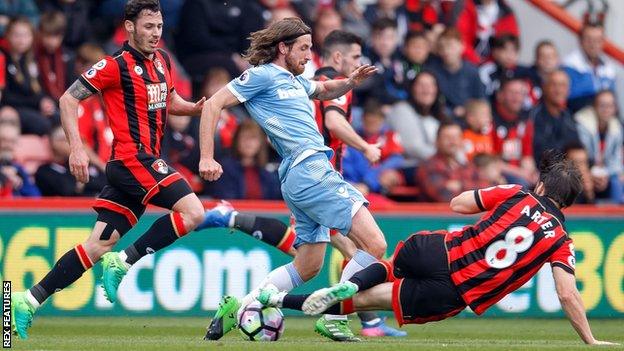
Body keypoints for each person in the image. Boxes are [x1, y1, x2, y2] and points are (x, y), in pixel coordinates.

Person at [256, 150, 618, 346]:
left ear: (540, 187)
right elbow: (567, 293)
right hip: (452, 290)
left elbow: (458, 204)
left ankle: (350, 280)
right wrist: (589, 339)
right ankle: (282, 301)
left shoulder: (516, 194)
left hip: (438, 249)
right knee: (361, 303)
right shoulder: (560, 240)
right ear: (567, 203)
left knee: (390, 262)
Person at [11, 0, 208, 340]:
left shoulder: (162, 61)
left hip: (135, 169)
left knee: (97, 245)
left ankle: (26, 300)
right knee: (194, 213)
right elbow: (68, 100)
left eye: (159, 27)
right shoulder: (114, 65)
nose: (155, 33)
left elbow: (169, 100)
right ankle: (126, 261)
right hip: (135, 161)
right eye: (148, 26)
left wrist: (194, 108)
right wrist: (76, 148)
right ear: (130, 27)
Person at [198, 18, 387, 341]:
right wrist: (206, 156)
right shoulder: (261, 76)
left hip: (299, 176)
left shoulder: (294, 80)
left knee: (309, 265)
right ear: (282, 48)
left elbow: (325, 89)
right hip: (310, 168)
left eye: (311, 49)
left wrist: (350, 81)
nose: (309, 56)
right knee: (375, 244)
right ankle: (334, 316)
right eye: (303, 48)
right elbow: (213, 105)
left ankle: (243, 306)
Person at [417, 121, 491, 202]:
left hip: (466, 213)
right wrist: (471, 189)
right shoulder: (428, 166)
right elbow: (443, 196)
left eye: (456, 137)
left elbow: (487, 189)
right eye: (447, 138)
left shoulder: (466, 166)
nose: (452, 142)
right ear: (437, 141)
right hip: (438, 214)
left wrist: (460, 185)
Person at [574, 90, 623, 203]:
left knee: (617, 181)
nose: (606, 109)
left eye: (610, 106)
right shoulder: (582, 124)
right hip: (585, 171)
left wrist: (605, 173)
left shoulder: (617, 129)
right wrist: (593, 172)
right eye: (602, 105)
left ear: (615, 109)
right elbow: (582, 159)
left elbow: (616, 162)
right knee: (583, 180)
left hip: (605, 174)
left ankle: (616, 218)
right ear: (594, 107)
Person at [35, 125, 106, 196]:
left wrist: (97, 162)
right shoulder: (44, 171)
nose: (76, 144)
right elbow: (68, 189)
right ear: (54, 143)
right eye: (68, 139)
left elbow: (106, 184)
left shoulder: (82, 166)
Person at [563, 22, 616, 112]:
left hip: (603, 120)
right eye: (589, 40)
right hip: (576, 117)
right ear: (580, 41)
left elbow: (613, 103)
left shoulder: (609, 69)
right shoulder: (569, 65)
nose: (593, 45)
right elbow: (569, 101)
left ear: (603, 42)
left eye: (598, 40)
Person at [530, 70, 580, 165]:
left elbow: (577, 147)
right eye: (554, 85)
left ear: (568, 90)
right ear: (544, 88)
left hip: (566, 171)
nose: (558, 90)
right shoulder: (534, 115)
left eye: (563, 85)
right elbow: (540, 152)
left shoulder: (568, 116)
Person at [0, 121, 40, 198]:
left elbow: (35, 197)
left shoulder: (18, 168)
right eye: (3, 140)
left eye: (12, 141)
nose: (7, 145)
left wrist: (20, 184)